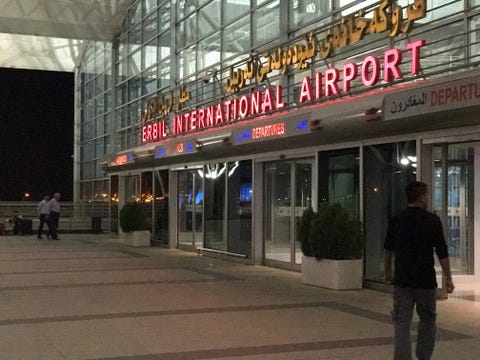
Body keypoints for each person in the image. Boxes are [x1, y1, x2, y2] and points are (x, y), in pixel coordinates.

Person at [384, 181, 454, 360]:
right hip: (426, 282)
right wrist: (448, 277)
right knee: (428, 321)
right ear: (421, 197)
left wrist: (387, 273)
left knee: (401, 323)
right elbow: (442, 252)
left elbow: (388, 250)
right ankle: (423, 356)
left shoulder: (397, 219)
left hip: (402, 281)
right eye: (427, 195)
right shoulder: (432, 220)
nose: (428, 198)